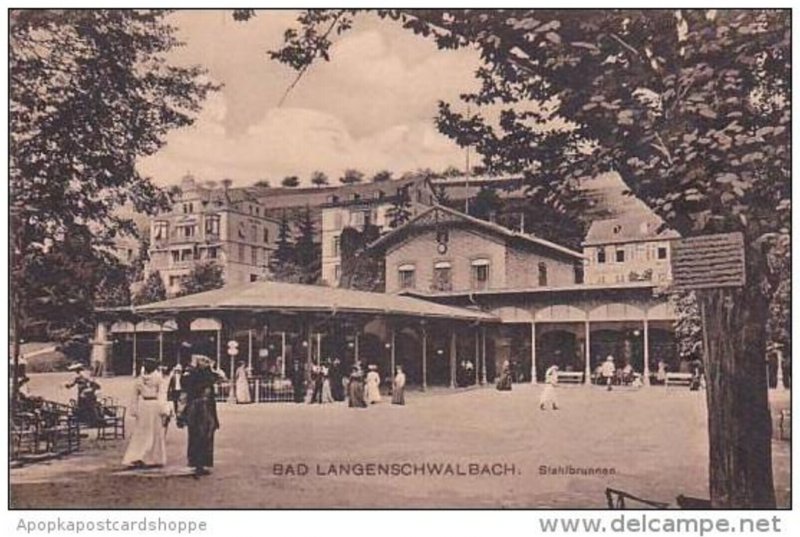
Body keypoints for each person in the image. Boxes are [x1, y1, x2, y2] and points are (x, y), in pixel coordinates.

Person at [178, 355, 221, 476]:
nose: (207, 363)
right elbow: (185, 390)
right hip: (197, 408)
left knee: (206, 435)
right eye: (204, 361)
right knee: (198, 435)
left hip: (207, 407)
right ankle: (197, 463)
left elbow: (219, 377)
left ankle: (202, 462)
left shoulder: (206, 374)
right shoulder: (192, 375)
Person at [122, 358, 169, 468]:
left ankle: (143, 456)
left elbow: (135, 396)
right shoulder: (158, 378)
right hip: (153, 405)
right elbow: (162, 394)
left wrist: (134, 409)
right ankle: (146, 457)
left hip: (145, 405)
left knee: (145, 432)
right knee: (150, 432)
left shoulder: (141, 379)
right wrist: (164, 410)